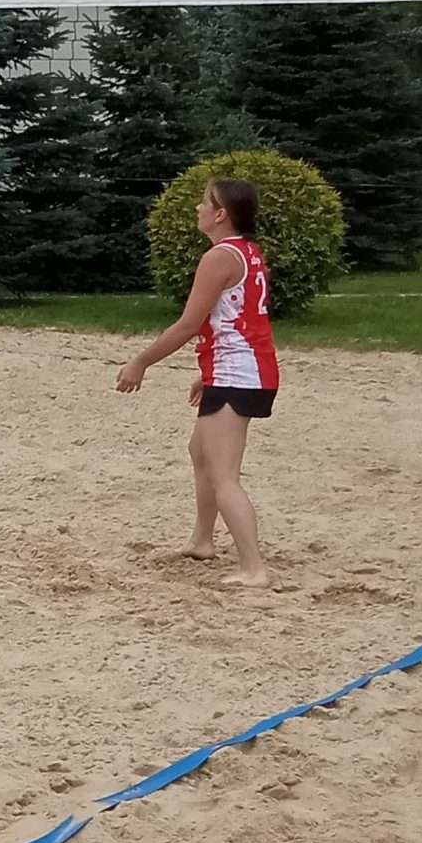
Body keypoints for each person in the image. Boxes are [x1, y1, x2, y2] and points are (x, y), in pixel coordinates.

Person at [116, 178, 277, 590]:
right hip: (239, 369)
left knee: (224, 476)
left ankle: (254, 568)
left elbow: (189, 324)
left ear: (221, 213)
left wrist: (141, 362)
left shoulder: (219, 256)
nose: (198, 208)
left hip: (239, 373)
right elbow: (239, 320)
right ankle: (202, 540)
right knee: (200, 452)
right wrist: (209, 373)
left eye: (205, 202)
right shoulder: (247, 251)